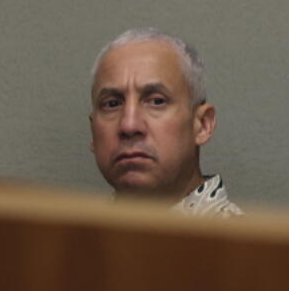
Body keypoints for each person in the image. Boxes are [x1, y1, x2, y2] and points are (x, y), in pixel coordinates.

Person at [90, 28, 243, 217]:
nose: (129, 125)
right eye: (112, 104)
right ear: (93, 133)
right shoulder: (66, 241)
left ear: (203, 125)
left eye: (157, 101)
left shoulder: (243, 245)